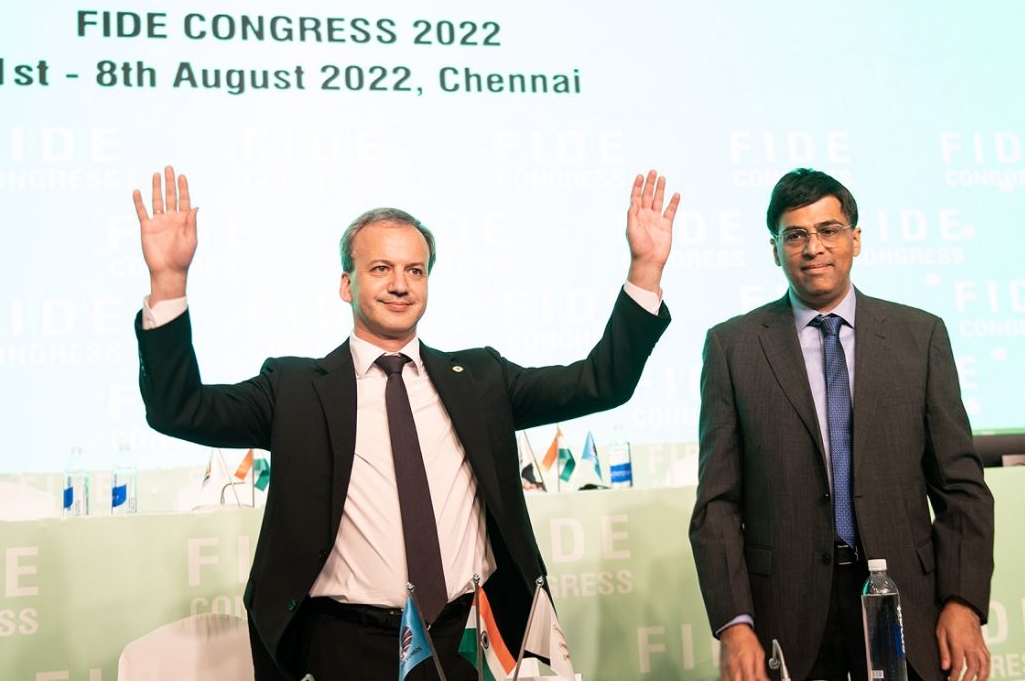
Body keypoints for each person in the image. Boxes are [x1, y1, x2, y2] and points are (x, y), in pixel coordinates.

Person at [132, 166, 678, 680]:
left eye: (415, 270)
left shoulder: (481, 378)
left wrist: (646, 270)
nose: (400, 284)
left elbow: (600, 382)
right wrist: (168, 281)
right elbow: (180, 409)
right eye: (381, 268)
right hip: (347, 644)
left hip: (468, 639)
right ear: (346, 285)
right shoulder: (294, 388)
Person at [689, 168, 993, 681]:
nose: (813, 248)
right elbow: (717, 504)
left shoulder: (919, 337)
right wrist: (734, 624)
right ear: (775, 250)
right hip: (786, 614)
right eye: (795, 235)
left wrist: (962, 601)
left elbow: (962, 487)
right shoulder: (733, 347)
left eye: (828, 230)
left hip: (907, 604)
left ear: (856, 239)